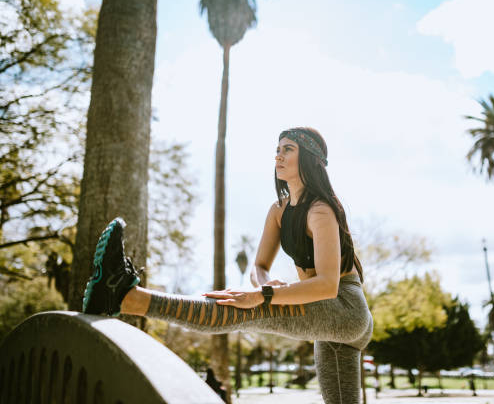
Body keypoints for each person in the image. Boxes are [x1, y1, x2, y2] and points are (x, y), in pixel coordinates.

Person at [82, 127, 373, 404]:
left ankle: (126, 297)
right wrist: (264, 283)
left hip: (345, 309)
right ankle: (121, 296)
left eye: (288, 149)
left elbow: (327, 284)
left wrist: (263, 297)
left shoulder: (320, 210)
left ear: (309, 159)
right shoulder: (278, 211)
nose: (278, 156)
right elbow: (258, 266)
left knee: (241, 306)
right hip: (329, 315)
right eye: (277, 149)